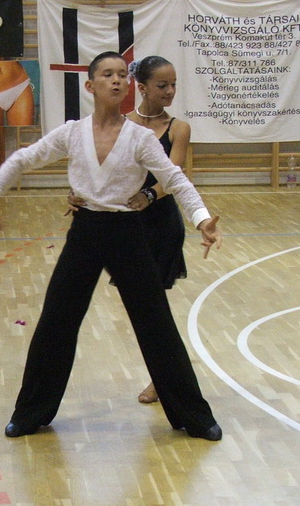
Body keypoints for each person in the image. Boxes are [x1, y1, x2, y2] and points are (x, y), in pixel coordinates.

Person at [0, 51, 223, 441]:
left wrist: (202, 218)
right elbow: (24, 158)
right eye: (108, 74)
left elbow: (174, 178)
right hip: (86, 233)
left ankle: (195, 416)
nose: (117, 80)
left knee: (156, 325)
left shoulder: (140, 137)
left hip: (128, 234)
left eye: (122, 74)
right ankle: (30, 413)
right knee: (56, 322)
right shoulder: (72, 132)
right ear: (90, 85)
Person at [71, 55, 191, 405]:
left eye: (173, 85)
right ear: (142, 87)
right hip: (124, 223)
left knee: (155, 311)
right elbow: (100, 169)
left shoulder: (178, 128)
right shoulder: (124, 126)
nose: (170, 91)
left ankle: (162, 380)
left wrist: (149, 194)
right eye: (162, 85)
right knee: (136, 306)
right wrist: (79, 193)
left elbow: (173, 175)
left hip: (160, 222)